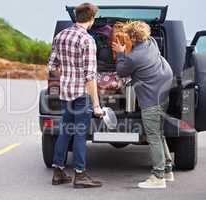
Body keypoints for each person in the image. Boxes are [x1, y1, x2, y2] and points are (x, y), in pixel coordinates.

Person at [112, 21, 174, 189]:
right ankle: (167, 170)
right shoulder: (151, 42)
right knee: (159, 134)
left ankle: (158, 176)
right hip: (163, 95)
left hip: (151, 100)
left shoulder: (133, 58)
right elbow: (136, 56)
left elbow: (121, 71)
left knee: (153, 137)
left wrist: (120, 54)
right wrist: (126, 51)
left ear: (132, 37)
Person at [48, 3, 104, 188]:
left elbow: (52, 67)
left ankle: (58, 172)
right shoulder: (87, 40)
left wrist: (65, 76)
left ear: (76, 17)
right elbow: (90, 76)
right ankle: (80, 175)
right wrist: (96, 104)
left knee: (65, 131)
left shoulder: (60, 36)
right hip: (81, 94)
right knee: (80, 134)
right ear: (92, 19)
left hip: (66, 93)